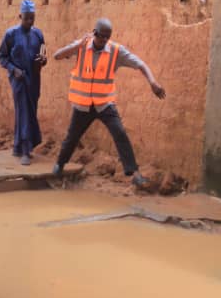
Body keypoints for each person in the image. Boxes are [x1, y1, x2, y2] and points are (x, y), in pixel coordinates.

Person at [50, 18, 166, 189]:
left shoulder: (115, 51)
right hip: (83, 105)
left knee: (120, 133)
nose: (104, 40)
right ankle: (59, 165)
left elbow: (140, 64)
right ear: (94, 33)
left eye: (107, 37)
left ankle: (134, 174)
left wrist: (153, 82)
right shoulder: (82, 46)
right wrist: (77, 46)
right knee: (72, 137)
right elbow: (57, 56)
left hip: (104, 104)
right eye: (101, 36)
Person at [0, 0, 47, 165]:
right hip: (19, 80)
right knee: (24, 112)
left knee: (28, 112)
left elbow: (43, 54)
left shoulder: (38, 34)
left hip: (34, 79)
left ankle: (18, 146)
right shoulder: (10, 34)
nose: (29, 21)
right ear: (20, 16)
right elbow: (2, 57)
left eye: (32, 17)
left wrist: (42, 59)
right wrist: (14, 69)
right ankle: (26, 150)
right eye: (26, 17)